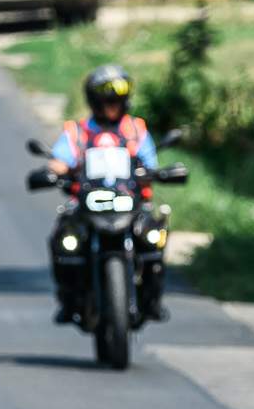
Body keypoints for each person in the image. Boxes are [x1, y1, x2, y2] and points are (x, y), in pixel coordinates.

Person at [46, 65, 166, 325]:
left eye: (117, 101)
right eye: (106, 101)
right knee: (62, 240)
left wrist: (155, 173)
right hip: (88, 205)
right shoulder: (77, 132)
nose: (112, 106)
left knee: (154, 239)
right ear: (94, 101)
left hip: (130, 204)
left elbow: (151, 164)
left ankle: (152, 298)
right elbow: (59, 161)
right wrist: (56, 170)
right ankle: (69, 299)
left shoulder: (136, 130)